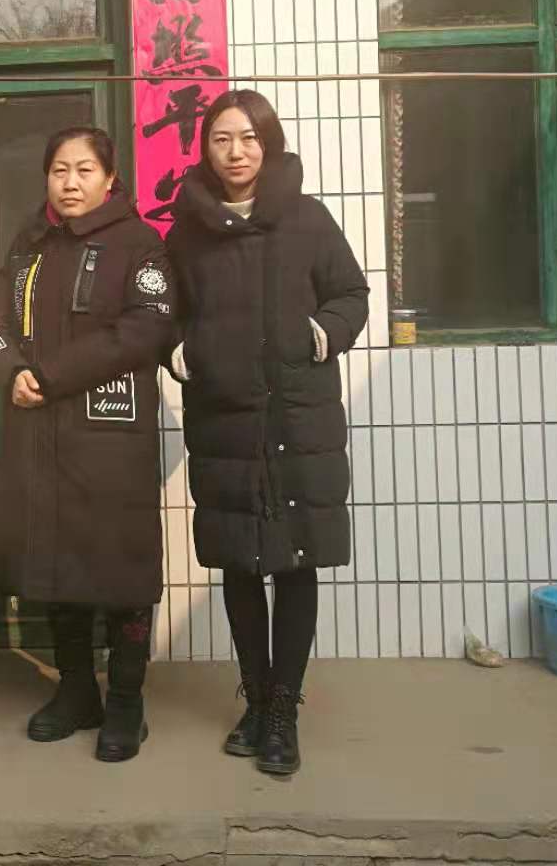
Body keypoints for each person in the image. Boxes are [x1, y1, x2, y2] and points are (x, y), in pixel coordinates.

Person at [165, 89, 369, 776]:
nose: (236, 151)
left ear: (269, 143)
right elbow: (165, 311)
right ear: (206, 148)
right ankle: (254, 702)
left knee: (295, 560)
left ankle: (284, 710)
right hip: (225, 419)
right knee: (239, 562)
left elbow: (351, 294)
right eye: (222, 138)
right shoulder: (188, 231)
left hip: (297, 416)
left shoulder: (307, 219)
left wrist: (319, 335)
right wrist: (181, 353)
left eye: (249, 137)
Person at [0, 127, 178, 763]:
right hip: (37, 432)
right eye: (59, 170)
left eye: (84, 169)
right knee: (53, 564)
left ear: (110, 178)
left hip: (109, 437)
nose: (70, 182)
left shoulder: (138, 244)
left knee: (120, 567)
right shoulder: (30, 242)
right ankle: (74, 691)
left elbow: (146, 329)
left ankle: (125, 700)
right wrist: (9, 370)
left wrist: (52, 375)